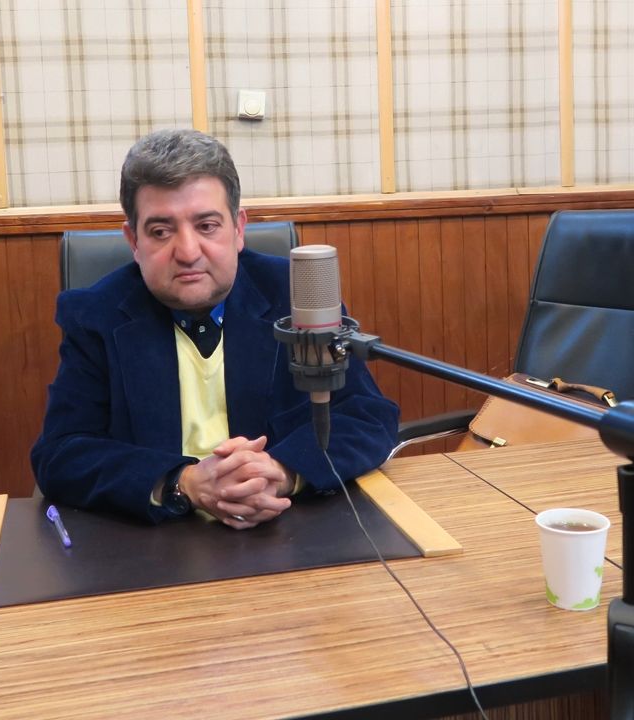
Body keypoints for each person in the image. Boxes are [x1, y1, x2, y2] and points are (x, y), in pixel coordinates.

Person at [31, 128, 398, 529]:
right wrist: (184, 482)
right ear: (133, 240)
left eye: (206, 226)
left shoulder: (297, 298)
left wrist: (280, 471)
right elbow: (61, 454)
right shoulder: (96, 315)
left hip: (289, 531)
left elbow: (367, 416)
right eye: (160, 232)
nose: (188, 252)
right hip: (158, 542)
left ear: (238, 229)